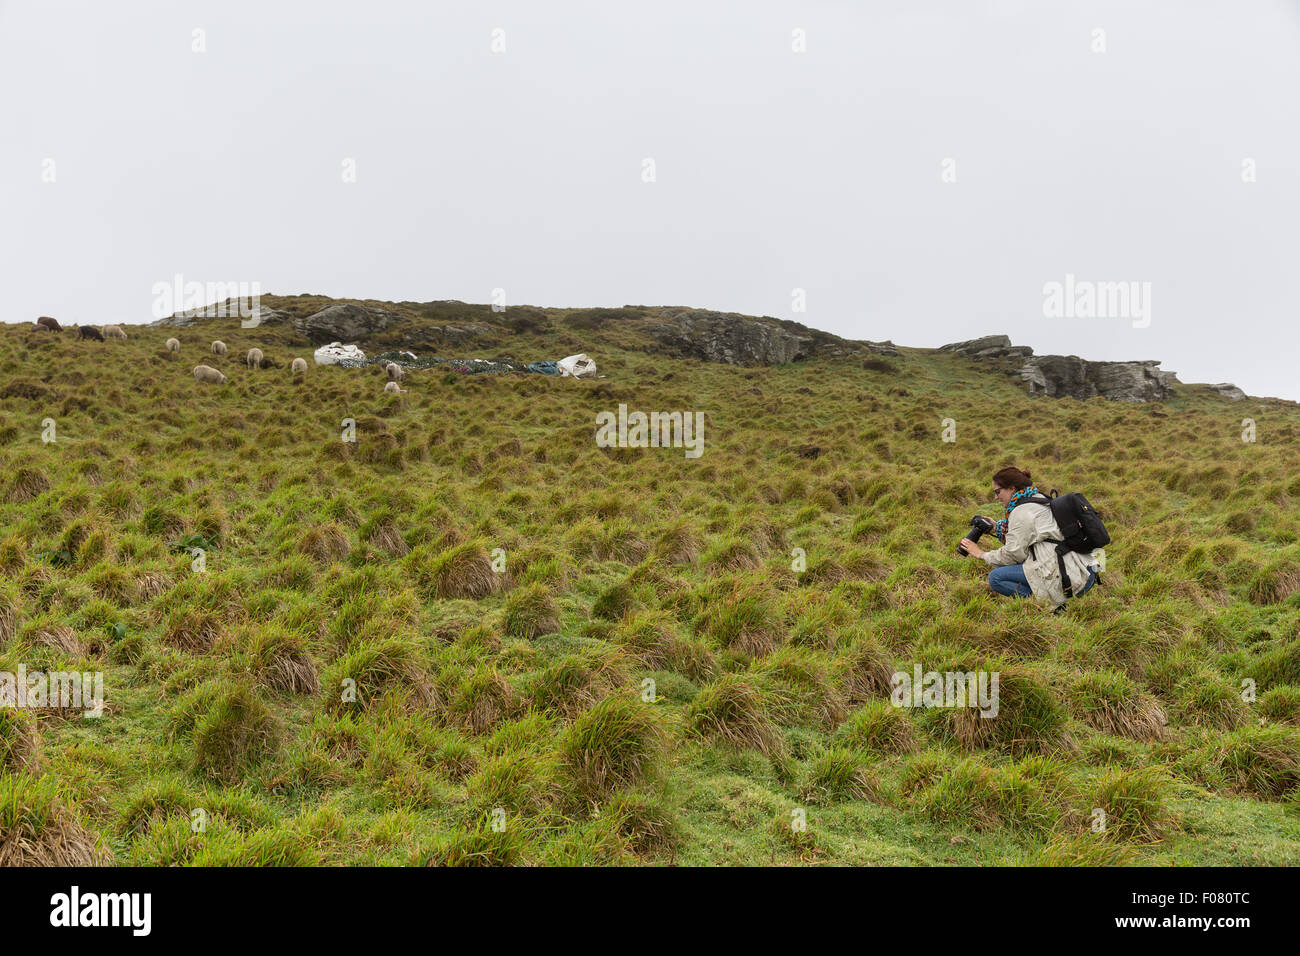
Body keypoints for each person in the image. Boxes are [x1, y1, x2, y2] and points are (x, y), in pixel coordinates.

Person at [960, 466, 1099, 610]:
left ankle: (1050, 607)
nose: (995, 497)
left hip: (1069, 578)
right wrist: (996, 528)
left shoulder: (1021, 512)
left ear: (1012, 488)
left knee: (996, 578)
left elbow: (1012, 555)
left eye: (997, 491)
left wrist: (980, 554)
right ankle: (1053, 600)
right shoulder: (1038, 497)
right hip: (1084, 569)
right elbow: (1029, 532)